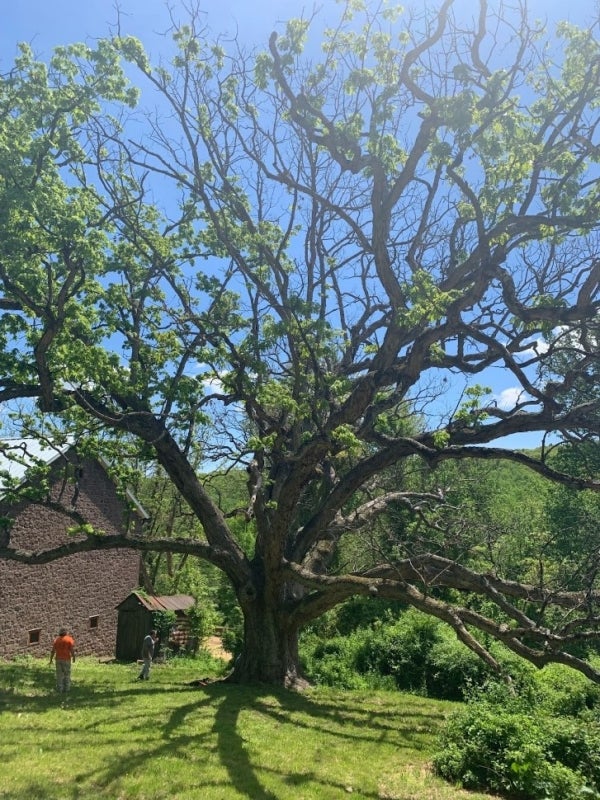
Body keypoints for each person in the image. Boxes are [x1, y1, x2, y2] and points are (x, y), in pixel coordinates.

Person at [49, 627, 76, 695]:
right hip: (66, 659)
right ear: (66, 633)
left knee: (59, 675)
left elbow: (53, 651)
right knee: (67, 674)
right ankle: (67, 689)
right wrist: (73, 657)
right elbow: (71, 649)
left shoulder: (57, 640)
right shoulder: (69, 639)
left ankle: (59, 689)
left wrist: (51, 659)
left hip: (58, 659)